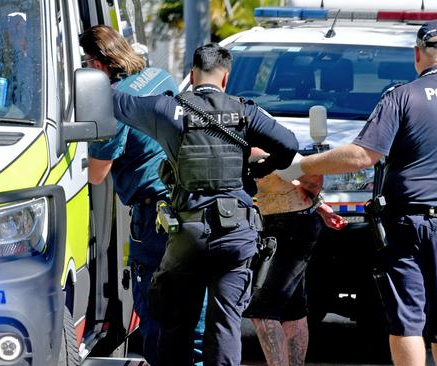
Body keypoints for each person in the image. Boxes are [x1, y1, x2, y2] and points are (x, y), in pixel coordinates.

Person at [276, 20, 437, 366]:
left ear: (417, 55)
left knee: (407, 321)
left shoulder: (402, 97)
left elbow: (363, 155)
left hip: (406, 228)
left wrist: (304, 165)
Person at [110, 43, 298, 365]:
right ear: (226, 78)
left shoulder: (166, 109)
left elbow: (115, 101)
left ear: (192, 75)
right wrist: (258, 169)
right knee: (225, 324)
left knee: (175, 322)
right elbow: (289, 145)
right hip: (237, 232)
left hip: (188, 234)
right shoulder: (244, 111)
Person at [79, 25, 205, 365]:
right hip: (189, 204)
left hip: (153, 218)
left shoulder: (113, 100)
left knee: (154, 306)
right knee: (190, 304)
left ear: (100, 63)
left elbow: (96, 173)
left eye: (86, 61)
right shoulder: (159, 75)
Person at [244, 148, 347, 366]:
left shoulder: (263, 140)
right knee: (293, 310)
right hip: (287, 223)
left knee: (262, 310)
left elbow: (312, 177)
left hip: (291, 227)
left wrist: (314, 197)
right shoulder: (258, 136)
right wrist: (319, 206)